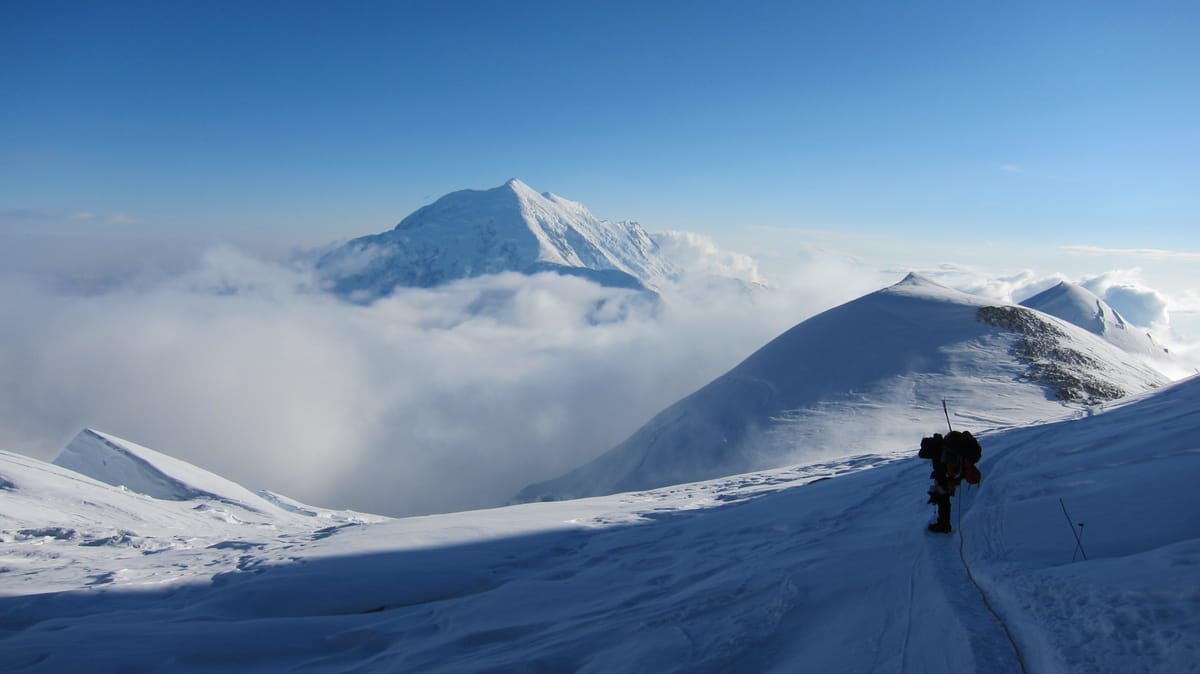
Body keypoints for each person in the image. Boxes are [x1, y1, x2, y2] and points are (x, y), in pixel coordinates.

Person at [919, 430, 981, 534]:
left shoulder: (972, 456)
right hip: (945, 462)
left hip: (946, 455)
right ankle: (943, 525)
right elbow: (949, 472)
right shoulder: (960, 462)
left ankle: (943, 525)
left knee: (943, 496)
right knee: (943, 496)